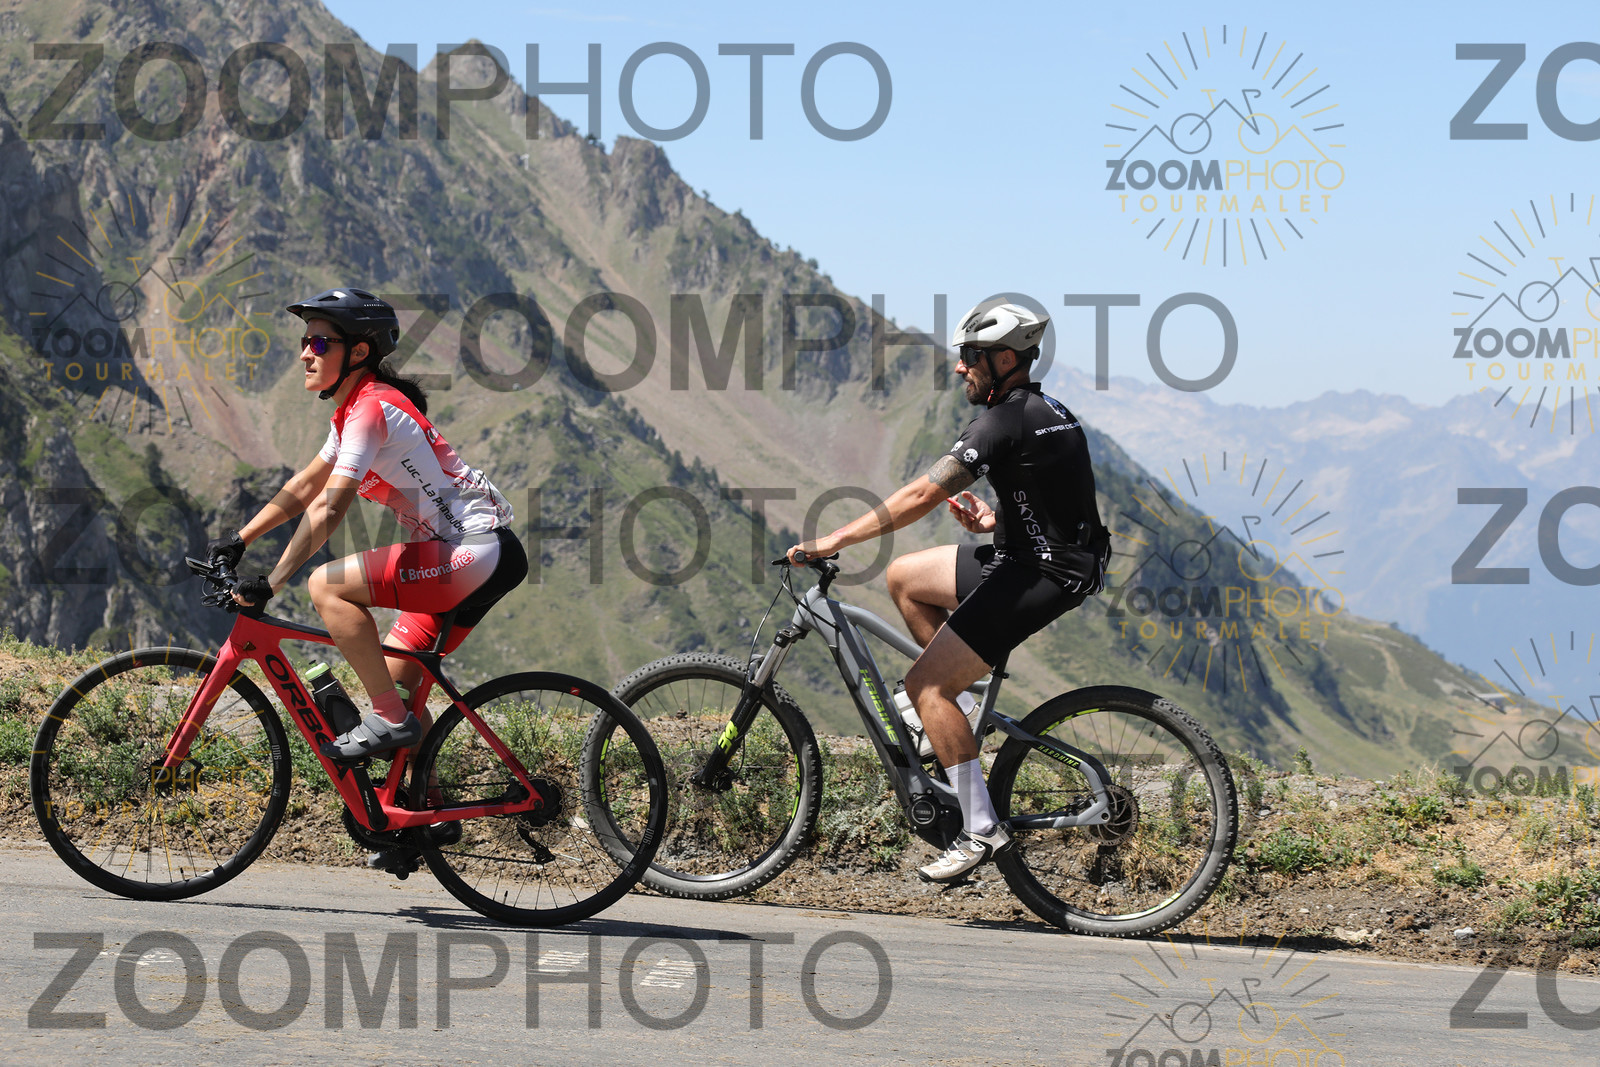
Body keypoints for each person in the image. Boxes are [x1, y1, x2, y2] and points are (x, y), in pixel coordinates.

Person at [787, 300, 1108, 883]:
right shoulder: (1046, 410)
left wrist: (835, 538)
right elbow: (1060, 500)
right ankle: (958, 716)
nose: (960, 367)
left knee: (925, 685)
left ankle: (980, 828)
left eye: (970, 356)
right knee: (906, 578)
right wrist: (997, 521)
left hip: (1041, 573)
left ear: (1004, 359)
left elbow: (921, 495)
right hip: (1036, 554)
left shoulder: (1002, 421)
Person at [208, 287, 528, 860]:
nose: (305, 353)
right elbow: (304, 486)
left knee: (326, 586)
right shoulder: (354, 411)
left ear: (358, 352)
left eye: (319, 343)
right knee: (402, 686)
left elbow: (330, 506)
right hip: (478, 554)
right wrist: (239, 539)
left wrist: (272, 582)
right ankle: (427, 817)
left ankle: (386, 720)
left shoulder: (372, 409)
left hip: (470, 551)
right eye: (305, 341)